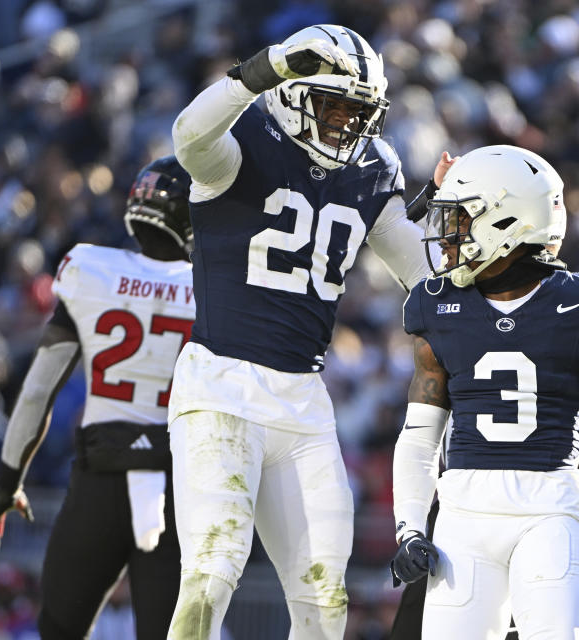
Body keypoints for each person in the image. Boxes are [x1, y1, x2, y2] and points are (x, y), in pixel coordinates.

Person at [167, 24, 439, 640]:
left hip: (305, 402)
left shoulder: (373, 168)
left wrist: (449, 218)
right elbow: (188, 133)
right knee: (210, 574)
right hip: (221, 388)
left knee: (324, 595)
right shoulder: (245, 139)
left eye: (358, 110)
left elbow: (422, 273)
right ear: (291, 92)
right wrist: (261, 69)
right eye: (333, 104)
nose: (346, 123)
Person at [389, 145, 579, 638]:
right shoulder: (436, 304)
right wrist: (409, 527)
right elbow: (419, 434)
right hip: (462, 515)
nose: (446, 236)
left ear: (506, 224)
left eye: (460, 219)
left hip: (550, 510)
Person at [0, 156, 195, 640]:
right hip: (177, 488)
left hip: (100, 477)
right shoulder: (216, 290)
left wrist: (7, 481)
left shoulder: (93, 271)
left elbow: (39, 389)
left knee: (59, 629)